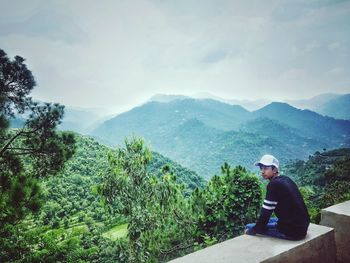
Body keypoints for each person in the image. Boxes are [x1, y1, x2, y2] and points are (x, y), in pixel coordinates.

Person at [245, 154, 310, 240]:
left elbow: (266, 213)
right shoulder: (286, 179)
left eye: (266, 168)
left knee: (249, 226)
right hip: (302, 227)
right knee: (269, 220)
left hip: (292, 232)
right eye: (261, 168)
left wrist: (254, 230)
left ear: (275, 169)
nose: (262, 171)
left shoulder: (273, 185)